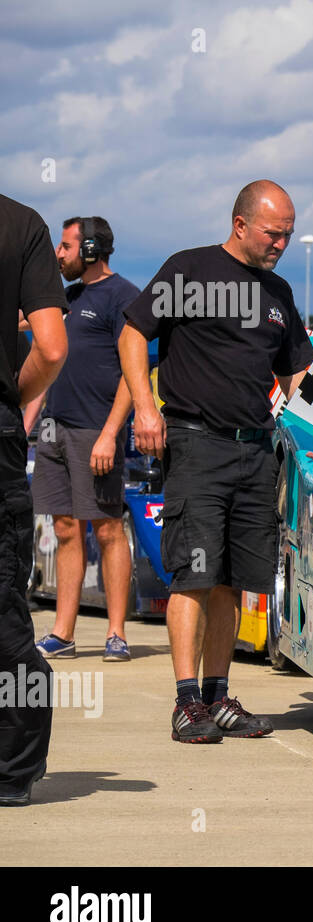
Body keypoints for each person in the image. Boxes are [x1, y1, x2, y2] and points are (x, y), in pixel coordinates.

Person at [119, 180, 313, 744]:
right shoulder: (190, 271)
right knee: (194, 575)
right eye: (273, 233)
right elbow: (134, 333)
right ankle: (186, 704)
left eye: (289, 234)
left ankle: (217, 695)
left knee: (234, 580)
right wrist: (143, 405)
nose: (282, 242)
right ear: (240, 224)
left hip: (257, 449)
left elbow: (297, 373)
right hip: (197, 442)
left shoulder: (279, 291)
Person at [31, 217, 139, 663]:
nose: (59, 254)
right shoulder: (67, 298)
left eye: (65, 246)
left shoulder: (124, 297)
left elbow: (133, 377)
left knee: (109, 528)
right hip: (54, 431)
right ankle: (64, 632)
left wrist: (110, 435)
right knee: (64, 528)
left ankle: (116, 634)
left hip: (96, 432)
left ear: (91, 249)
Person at [0, 194, 69, 805]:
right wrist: (10, 403)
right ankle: (13, 771)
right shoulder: (20, 224)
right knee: (3, 610)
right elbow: (50, 348)